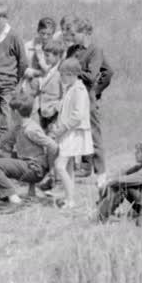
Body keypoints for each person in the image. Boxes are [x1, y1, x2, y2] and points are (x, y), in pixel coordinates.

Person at [0, 94, 58, 204]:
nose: (10, 114)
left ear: (16, 113)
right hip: (29, 166)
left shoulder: (30, 129)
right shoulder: (18, 127)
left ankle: (13, 198)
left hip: (35, 169)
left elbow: (53, 145)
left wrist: (51, 169)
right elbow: (0, 141)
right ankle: (4, 195)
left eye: (11, 111)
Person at [66, 17, 113, 184]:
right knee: (72, 133)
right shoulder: (72, 50)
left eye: (74, 34)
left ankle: (101, 175)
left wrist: (96, 91)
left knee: (94, 135)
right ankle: (73, 171)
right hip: (72, 97)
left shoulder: (95, 50)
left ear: (85, 33)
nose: (71, 37)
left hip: (87, 98)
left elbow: (95, 75)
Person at [49, 58, 93, 208]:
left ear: (72, 74)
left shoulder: (79, 90)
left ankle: (71, 200)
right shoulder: (71, 88)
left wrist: (62, 128)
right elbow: (66, 110)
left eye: (63, 75)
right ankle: (69, 198)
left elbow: (77, 115)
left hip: (74, 133)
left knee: (59, 165)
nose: (61, 78)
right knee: (68, 167)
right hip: (69, 131)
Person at [97, 143, 142, 226]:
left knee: (122, 186)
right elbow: (121, 175)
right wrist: (109, 181)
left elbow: (124, 181)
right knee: (118, 184)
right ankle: (102, 214)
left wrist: (108, 183)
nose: (135, 153)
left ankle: (101, 217)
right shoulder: (141, 167)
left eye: (138, 152)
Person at [0, 4, 28, 128]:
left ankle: (7, 143)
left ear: (6, 18)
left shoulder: (14, 36)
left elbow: (23, 62)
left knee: (6, 114)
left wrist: (16, 80)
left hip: (7, 82)